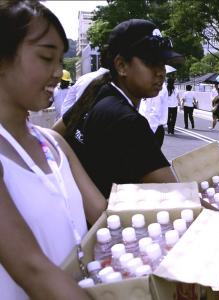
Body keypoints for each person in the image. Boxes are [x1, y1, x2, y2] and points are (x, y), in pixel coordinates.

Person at [0, 1, 106, 298]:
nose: (58, 72)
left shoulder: (54, 143)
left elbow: (103, 214)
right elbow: (31, 268)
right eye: (47, 57)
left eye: (60, 60)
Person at [59, 19, 183, 198]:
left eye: (162, 63)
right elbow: (178, 196)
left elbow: (55, 135)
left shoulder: (99, 89)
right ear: (121, 66)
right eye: (151, 62)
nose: (161, 72)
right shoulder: (128, 121)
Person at [139, 81, 169, 147]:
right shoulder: (151, 84)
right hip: (149, 126)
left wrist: (148, 133)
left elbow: (155, 112)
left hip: (152, 127)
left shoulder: (157, 87)